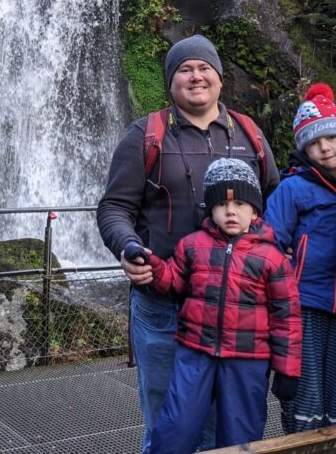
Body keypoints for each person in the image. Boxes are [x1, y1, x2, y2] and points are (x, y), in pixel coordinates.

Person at [97, 34, 280, 453]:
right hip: (162, 304)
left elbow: (276, 202)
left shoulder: (249, 134)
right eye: (184, 69)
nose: (195, 76)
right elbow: (113, 208)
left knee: (224, 428)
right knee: (166, 426)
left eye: (203, 67)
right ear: (171, 81)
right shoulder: (145, 135)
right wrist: (128, 248)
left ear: (219, 77)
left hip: (236, 307)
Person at [129, 159, 301, 454]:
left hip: (248, 358)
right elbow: (173, 282)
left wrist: (287, 370)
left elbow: (287, 318)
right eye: (221, 204)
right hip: (195, 351)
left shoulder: (272, 258)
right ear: (210, 209)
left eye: (240, 204)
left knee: (241, 434)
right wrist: (152, 264)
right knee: (175, 426)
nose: (230, 211)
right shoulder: (192, 245)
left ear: (256, 210)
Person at [263, 83, 336, 433]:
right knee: (304, 394)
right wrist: (289, 272)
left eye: (332, 138)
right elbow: (268, 241)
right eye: (314, 142)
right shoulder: (293, 188)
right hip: (305, 304)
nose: (325, 147)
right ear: (304, 148)